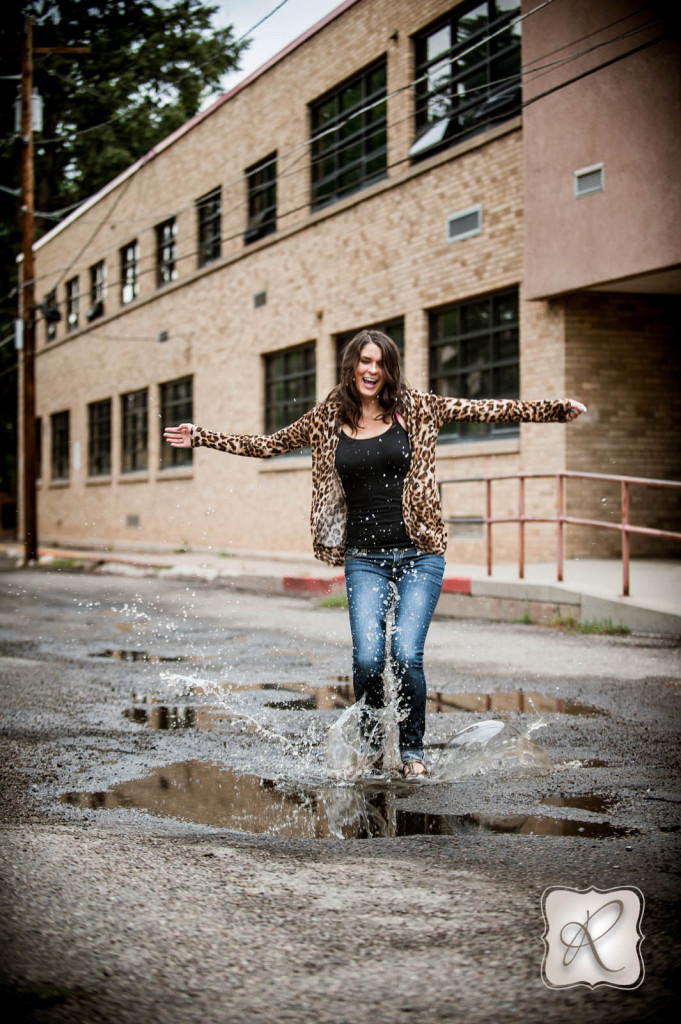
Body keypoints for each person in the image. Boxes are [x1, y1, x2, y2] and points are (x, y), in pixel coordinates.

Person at [164, 329, 586, 778]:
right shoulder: (327, 418)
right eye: (364, 361)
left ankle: (411, 751)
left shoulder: (417, 408)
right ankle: (370, 746)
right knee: (368, 658)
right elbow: (269, 445)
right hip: (364, 557)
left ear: (389, 369)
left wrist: (555, 410)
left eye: (380, 362)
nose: (372, 370)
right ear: (351, 366)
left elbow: (487, 409)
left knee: (405, 654)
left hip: (420, 553)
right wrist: (202, 437)